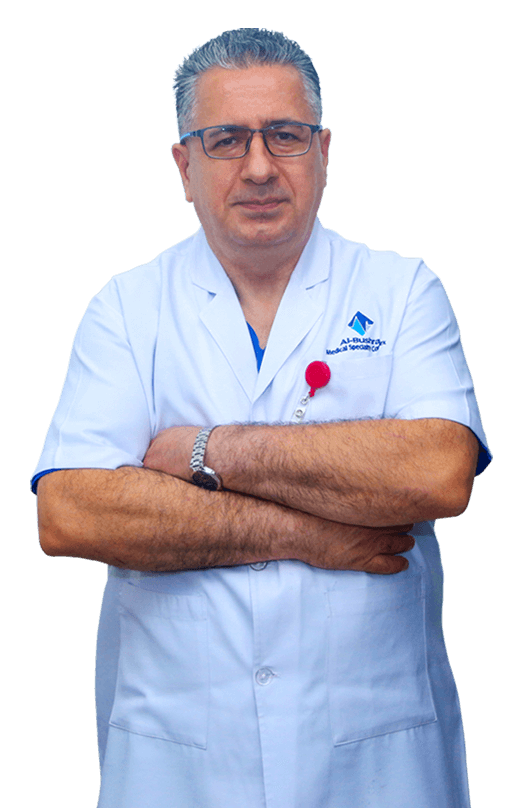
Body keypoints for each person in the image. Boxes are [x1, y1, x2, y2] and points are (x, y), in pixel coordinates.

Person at [31, 28, 491, 808]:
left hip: (375, 763)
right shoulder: (126, 309)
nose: (258, 167)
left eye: (285, 136)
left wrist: (206, 450)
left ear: (324, 151)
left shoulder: (402, 291)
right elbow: (70, 512)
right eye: (225, 140)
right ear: (184, 165)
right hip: (181, 765)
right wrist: (310, 535)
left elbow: (439, 472)